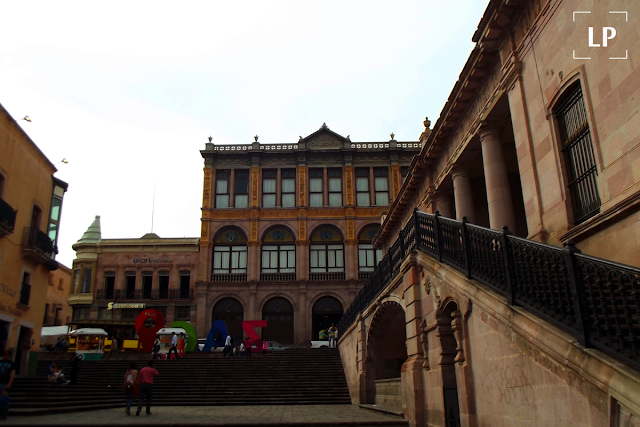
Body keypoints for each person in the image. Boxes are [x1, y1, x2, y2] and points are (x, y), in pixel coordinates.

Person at [0, 351, 15, 419]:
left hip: (5, 383)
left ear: (9, 356)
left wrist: (9, 383)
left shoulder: (11, 363)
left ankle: (3, 413)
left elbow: (12, 374)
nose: (5, 356)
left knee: (4, 399)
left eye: (6, 355)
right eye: (4, 355)